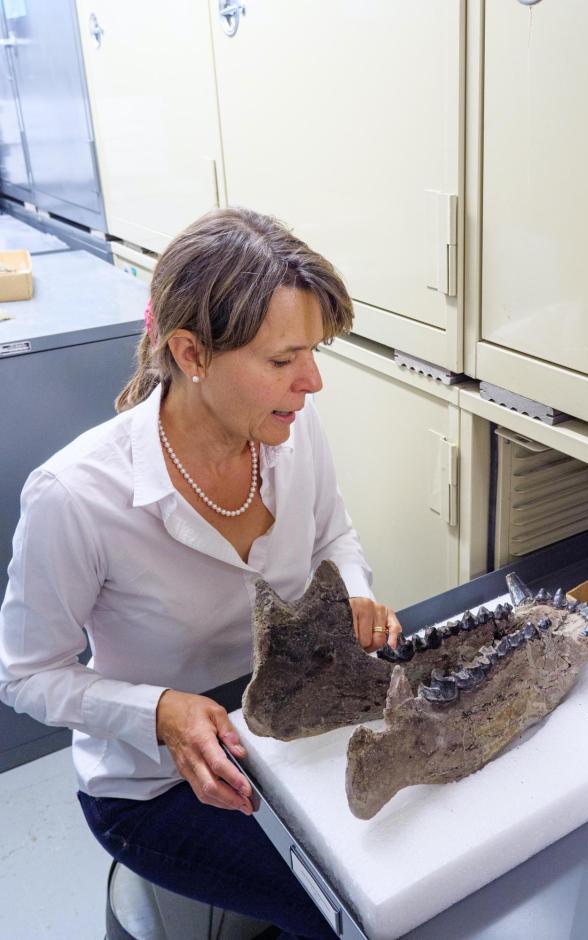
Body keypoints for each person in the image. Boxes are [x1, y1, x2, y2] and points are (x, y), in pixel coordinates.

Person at [0, 207, 402, 939]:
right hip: (157, 786)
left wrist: (359, 592)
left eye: (313, 352)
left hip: (286, 729)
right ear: (190, 352)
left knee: (404, 860)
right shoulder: (76, 496)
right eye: (283, 360)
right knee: (360, 907)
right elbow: (24, 674)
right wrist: (160, 711)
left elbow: (334, 536)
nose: (311, 381)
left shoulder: (289, 425)